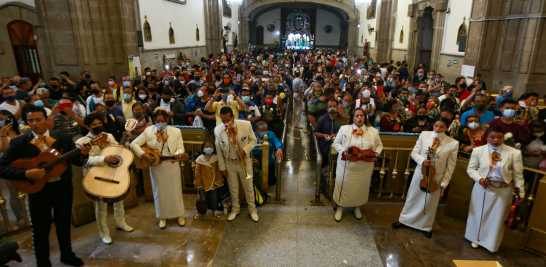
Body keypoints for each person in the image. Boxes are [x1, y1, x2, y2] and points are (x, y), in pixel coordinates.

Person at [0, 106, 90, 267]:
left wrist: (83, 154)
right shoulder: (19, 142)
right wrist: (27, 174)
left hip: (62, 187)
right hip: (37, 190)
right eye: (30, 120)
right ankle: (42, 262)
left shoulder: (63, 138)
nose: (34, 123)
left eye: (38, 119)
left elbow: (76, 162)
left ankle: (67, 255)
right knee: (40, 228)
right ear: (26, 122)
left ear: (47, 120)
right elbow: (2, 167)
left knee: (64, 222)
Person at [392, 118, 459, 238]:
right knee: (413, 197)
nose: (438, 129)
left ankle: (425, 226)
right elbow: (414, 153)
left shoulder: (453, 143)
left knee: (430, 202)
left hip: (436, 176)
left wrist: (444, 183)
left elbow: (450, 166)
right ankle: (404, 220)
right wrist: (423, 160)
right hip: (421, 173)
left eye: (441, 127)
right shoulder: (424, 135)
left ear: (447, 128)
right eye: (436, 126)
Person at [75, 113, 134, 244]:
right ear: (87, 127)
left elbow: (120, 151)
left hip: (114, 172)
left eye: (100, 124)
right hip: (96, 176)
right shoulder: (81, 142)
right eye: (94, 125)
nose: (98, 126)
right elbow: (85, 161)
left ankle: (121, 222)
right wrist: (103, 159)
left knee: (119, 199)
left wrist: (126, 141)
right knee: (101, 206)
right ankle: (104, 233)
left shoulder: (109, 137)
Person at [465, 125, 524, 252]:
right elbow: (471, 169)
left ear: (504, 137)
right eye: (492, 137)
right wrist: (479, 179)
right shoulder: (479, 151)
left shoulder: (514, 153)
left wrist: (520, 193)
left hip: (504, 189)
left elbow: (518, 176)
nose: (496, 140)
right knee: (479, 214)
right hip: (484, 186)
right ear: (487, 137)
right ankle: (476, 239)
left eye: (499, 137)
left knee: (497, 218)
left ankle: (491, 243)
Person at [130, 107, 186, 228]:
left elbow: (181, 148)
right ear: (154, 120)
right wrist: (143, 155)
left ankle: (179, 215)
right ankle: (162, 216)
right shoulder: (148, 131)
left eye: (163, 120)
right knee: (159, 192)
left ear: (167, 119)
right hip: (156, 166)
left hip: (172, 165)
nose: (160, 123)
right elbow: (133, 144)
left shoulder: (176, 131)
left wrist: (176, 155)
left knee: (175, 191)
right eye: (158, 121)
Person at [332, 108, 383, 222]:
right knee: (344, 187)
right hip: (347, 167)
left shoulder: (373, 131)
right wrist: (343, 151)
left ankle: (357, 206)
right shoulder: (345, 129)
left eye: (361, 115)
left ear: (365, 118)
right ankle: (340, 207)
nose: (359, 118)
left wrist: (376, 153)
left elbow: (380, 145)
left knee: (361, 188)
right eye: (357, 116)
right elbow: (336, 143)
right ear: (352, 118)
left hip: (364, 168)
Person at [214, 107, 259, 222]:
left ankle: (252, 209)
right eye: (223, 120)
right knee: (233, 189)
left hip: (244, 161)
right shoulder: (218, 130)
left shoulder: (246, 125)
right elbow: (219, 151)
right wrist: (222, 167)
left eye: (228, 120)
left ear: (233, 117)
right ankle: (235, 209)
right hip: (230, 162)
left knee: (248, 187)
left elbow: (253, 141)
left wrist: (245, 150)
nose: (225, 123)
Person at [0, 111, 25, 228]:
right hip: (8, 167)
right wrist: (3, 134)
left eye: (5, 118)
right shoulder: (1, 133)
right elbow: (5, 149)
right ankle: (20, 217)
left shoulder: (20, 130)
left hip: (24, 163)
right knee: (14, 193)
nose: (3, 121)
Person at [193, 139, 224, 220]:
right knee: (202, 198)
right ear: (203, 148)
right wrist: (198, 182)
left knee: (214, 197)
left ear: (214, 148)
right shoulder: (200, 159)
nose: (208, 148)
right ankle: (200, 211)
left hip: (213, 182)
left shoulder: (216, 158)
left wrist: (218, 181)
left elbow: (218, 170)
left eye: (211, 146)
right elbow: (197, 172)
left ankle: (215, 210)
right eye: (206, 146)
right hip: (203, 182)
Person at [314, 99, 345, 165]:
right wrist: (324, 135)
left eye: (334, 106)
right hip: (324, 148)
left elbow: (346, 133)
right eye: (330, 106)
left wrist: (337, 135)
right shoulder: (322, 120)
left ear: (337, 107)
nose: (332, 108)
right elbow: (316, 132)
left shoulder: (342, 120)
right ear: (327, 108)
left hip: (339, 150)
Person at [253, 121, 283, 185]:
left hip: (269, 163)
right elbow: (251, 149)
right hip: (256, 163)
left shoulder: (271, 134)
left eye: (265, 130)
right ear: (256, 130)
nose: (264, 132)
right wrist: (259, 150)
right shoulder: (253, 136)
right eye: (261, 130)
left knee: (271, 182)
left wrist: (279, 148)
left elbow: (277, 141)